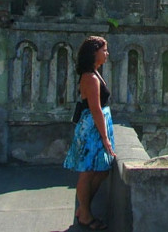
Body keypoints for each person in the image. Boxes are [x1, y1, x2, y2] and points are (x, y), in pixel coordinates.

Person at [63, 36, 116, 230]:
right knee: (88, 171)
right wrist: (105, 138)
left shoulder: (94, 73)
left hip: (96, 127)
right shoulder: (90, 77)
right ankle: (85, 214)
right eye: (104, 50)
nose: (107, 53)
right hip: (92, 129)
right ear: (94, 52)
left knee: (101, 170)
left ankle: (83, 209)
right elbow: (95, 109)